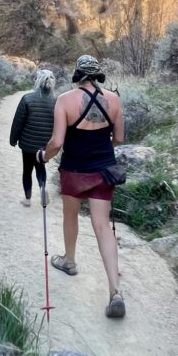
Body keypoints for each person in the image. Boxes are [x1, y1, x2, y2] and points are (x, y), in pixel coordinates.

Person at [37, 54, 126, 319]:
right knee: (102, 225)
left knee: (70, 216)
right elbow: (119, 138)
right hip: (103, 171)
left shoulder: (64, 101)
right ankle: (115, 291)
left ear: (77, 75)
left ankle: (70, 261)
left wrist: (43, 157)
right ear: (98, 74)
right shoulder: (114, 100)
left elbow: (56, 143)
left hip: (74, 170)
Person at [9, 68, 56, 207]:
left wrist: (13, 139)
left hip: (28, 144)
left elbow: (18, 121)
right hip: (44, 145)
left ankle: (28, 199)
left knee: (27, 170)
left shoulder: (27, 98)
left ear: (37, 81)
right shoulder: (56, 101)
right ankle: (42, 188)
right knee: (40, 167)